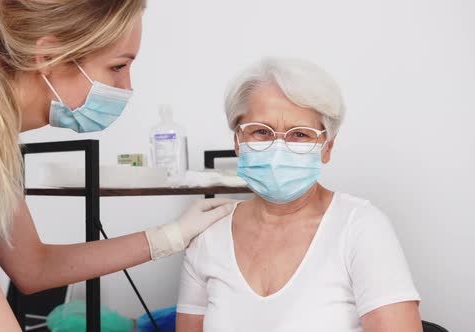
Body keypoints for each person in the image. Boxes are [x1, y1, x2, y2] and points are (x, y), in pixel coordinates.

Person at [0, 1, 234, 330]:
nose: (127, 86)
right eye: (117, 66)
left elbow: (33, 267)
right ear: (49, 55)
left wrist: (171, 235)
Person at [176, 57, 422, 331]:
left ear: (327, 147)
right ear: (237, 142)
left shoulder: (361, 228)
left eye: (300, 135)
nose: (278, 149)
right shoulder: (208, 234)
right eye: (261, 131)